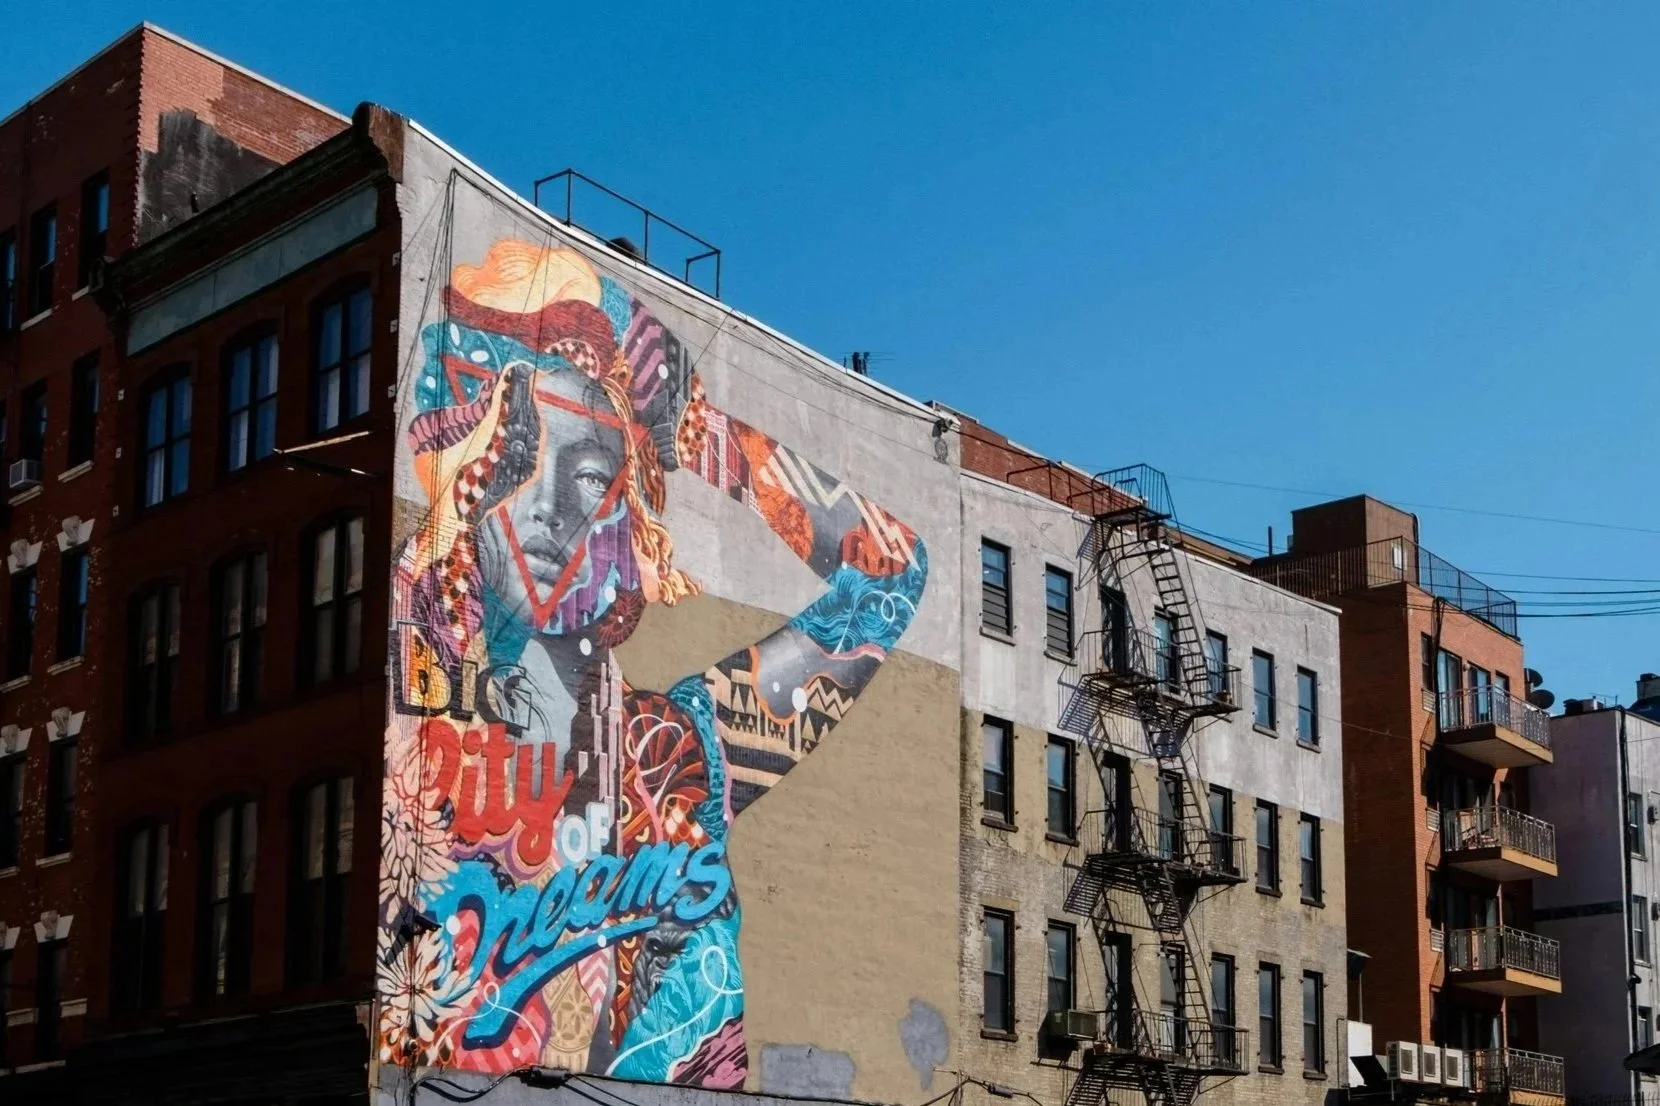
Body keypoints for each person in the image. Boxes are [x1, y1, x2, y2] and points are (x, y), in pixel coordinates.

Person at [378, 240, 928, 1086]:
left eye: (591, 470)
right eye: (520, 452)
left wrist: (698, 429)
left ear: (628, 521)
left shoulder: (682, 758)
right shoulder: (421, 726)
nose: (555, 506)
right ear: (473, 479)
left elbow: (890, 569)